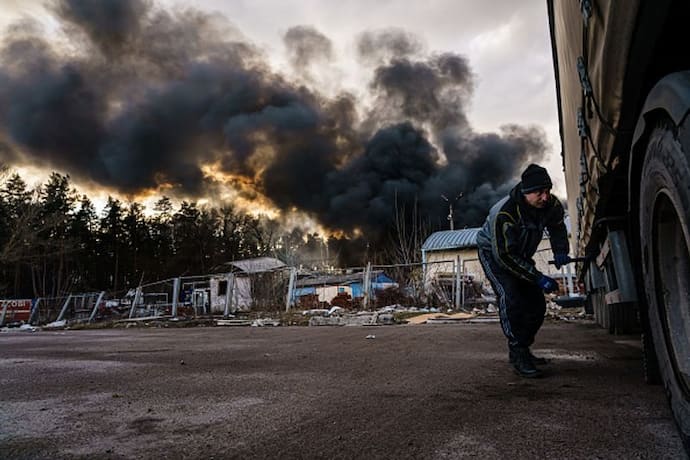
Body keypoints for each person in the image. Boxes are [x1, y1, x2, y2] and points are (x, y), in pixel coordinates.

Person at [476, 163, 570, 378]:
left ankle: (524, 347)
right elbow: (505, 257)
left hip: (520, 255)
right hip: (495, 254)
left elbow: (557, 227)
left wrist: (561, 250)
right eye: (539, 192)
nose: (545, 197)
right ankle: (517, 351)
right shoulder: (505, 214)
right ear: (527, 192)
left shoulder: (551, 205)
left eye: (547, 191)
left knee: (536, 305)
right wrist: (538, 277)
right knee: (511, 297)